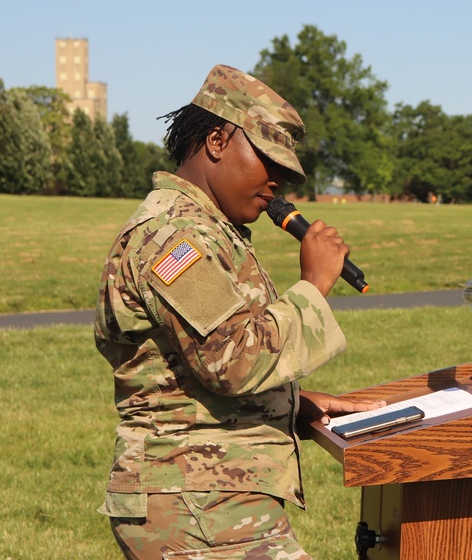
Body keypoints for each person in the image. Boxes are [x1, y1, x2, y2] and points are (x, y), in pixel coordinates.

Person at [94, 64, 382, 559]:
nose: (278, 183)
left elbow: (187, 367)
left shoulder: (204, 230)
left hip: (209, 497)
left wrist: (289, 402)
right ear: (217, 141)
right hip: (197, 503)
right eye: (268, 161)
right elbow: (233, 361)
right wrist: (314, 284)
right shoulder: (173, 238)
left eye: (287, 173)